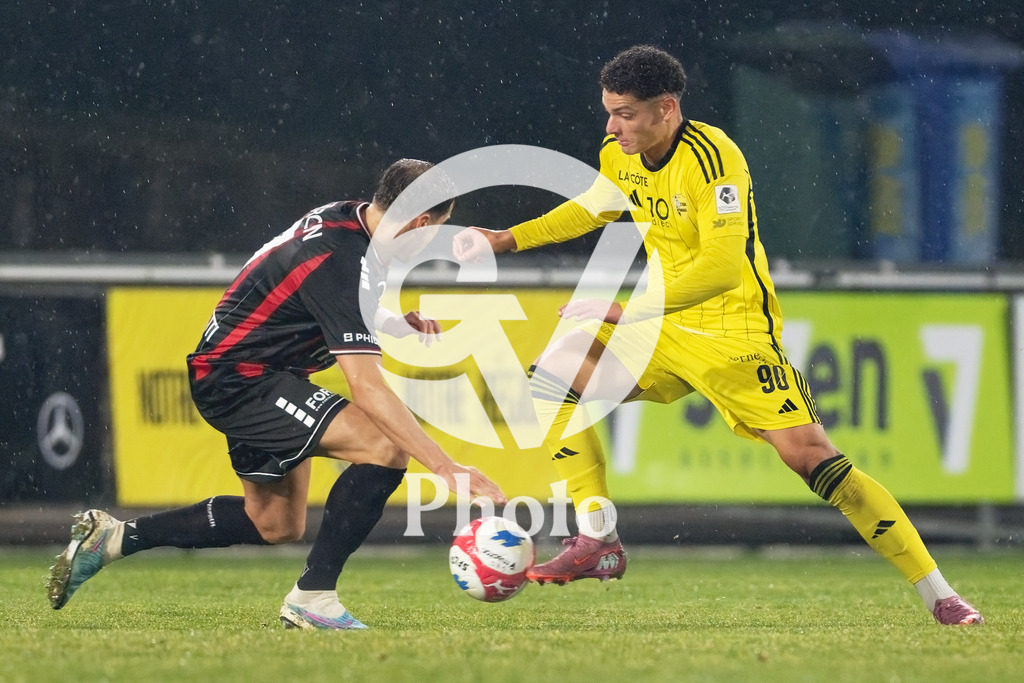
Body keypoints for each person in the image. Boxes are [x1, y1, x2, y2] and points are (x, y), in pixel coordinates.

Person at [454, 45, 983, 625]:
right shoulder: (619, 152)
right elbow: (595, 208)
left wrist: (628, 311)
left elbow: (721, 269)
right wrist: (508, 239)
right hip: (663, 326)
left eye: (626, 113)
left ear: (667, 109)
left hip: (734, 331)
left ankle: (942, 595)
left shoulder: (713, 157)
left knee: (814, 461)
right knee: (554, 375)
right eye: (608, 112)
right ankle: (599, 539)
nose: (612, 126)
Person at [47, 158, 507, 630]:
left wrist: (393, 322)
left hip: (242, 372)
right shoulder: (342, 258)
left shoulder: (351, 220)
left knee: (275, 523)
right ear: (420, 222)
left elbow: (334, 296)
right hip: (243, 379)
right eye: (437, 231)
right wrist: (446, 467)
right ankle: (314, 597)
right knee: (384, 445)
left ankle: (115, 539)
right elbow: (367, 386)